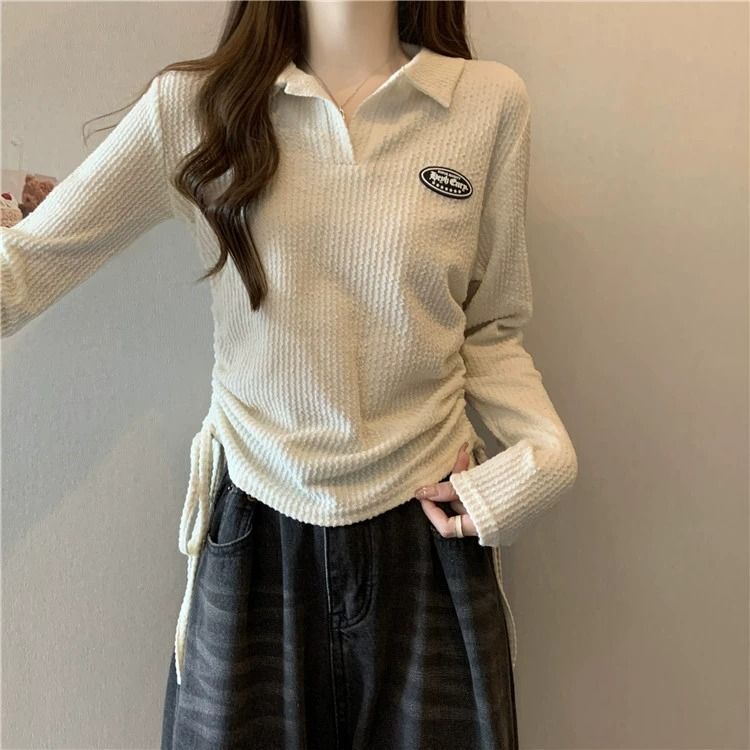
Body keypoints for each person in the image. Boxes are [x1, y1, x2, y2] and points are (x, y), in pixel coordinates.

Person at [1, 1, 579, 748]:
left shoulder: (488, 103)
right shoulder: (196, 108)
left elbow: (490, 329)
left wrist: (544, 460)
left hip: (429, 537)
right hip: (253, 536)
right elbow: (22, 272)